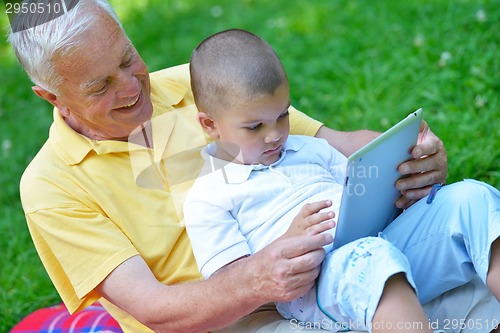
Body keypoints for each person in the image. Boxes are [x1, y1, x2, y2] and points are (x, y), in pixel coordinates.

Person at [7, 0, 498, 332]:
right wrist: (258, 278)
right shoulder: (51, 187)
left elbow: (338, 144)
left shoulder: (201, 83)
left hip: (333, 259)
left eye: (128, 59)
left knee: (473, 223)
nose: (131, 87)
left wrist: (413, 154)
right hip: (232, 323)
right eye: (100, 86)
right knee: (407, 291)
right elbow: (154, 311)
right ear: (52, 97)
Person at [183, 29, 500, 332]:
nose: (276, 134)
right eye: (255, 127)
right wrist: (285, 245)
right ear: (210, 124)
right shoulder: (208, 197)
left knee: (473, 199)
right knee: (374, 260)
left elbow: (358, 192)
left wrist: (395, 184)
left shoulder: (310, 148)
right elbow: (232, 284)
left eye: (283, 115)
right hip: (318, 287)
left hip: (382, 241)